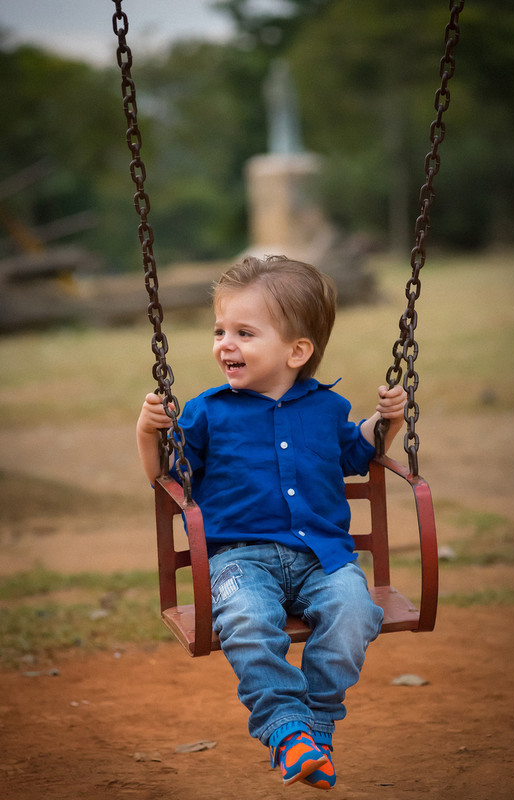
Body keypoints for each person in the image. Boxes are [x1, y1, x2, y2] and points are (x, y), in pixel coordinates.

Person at [137, 255, 407, 790]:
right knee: (247, 622)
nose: (225, 344)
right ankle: (287, 728)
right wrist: (149, 433)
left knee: (356, 611)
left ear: (297, 350)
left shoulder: (328, 409)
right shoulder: (206, 411)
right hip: (239, 560)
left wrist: (386, 421)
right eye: (220, 331)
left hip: (322, 558)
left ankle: (316, 722)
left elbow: (357, 453)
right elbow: (168, 477)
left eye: (244, 332)